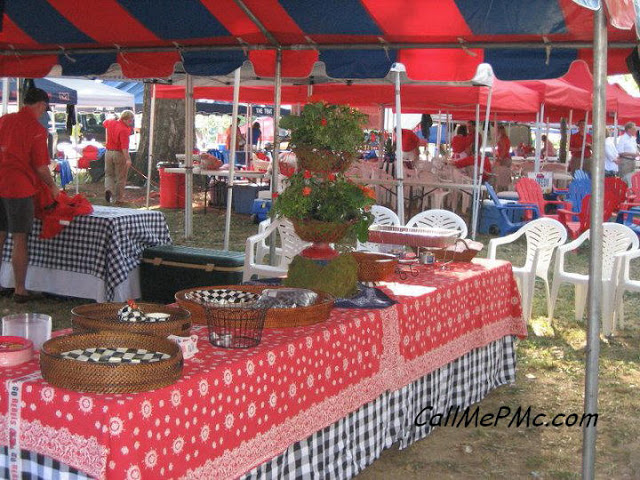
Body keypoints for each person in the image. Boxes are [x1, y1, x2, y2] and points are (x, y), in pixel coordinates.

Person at [0, 88, 60, 303]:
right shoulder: (36, 129)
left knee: (0, 235)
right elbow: (41, 166)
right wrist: (53, 186)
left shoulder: (4, 120)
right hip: (19, 187)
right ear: (41, 105)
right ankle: (20, 289)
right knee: (19, 238)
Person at [103, 110, 134, 205]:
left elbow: (104, 123)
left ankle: (109, 189)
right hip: (118, 153)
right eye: (130, 120)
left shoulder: (111, 122)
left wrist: (113, 118)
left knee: (109, 174)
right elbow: (124, 147)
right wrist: (128, 159)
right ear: (125, 119)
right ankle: (118, 198)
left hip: (108, 152)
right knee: (121, 177)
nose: (131, 122)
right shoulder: (124, 130)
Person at [494, 125, 512, 191]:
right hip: (506, 158)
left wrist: (500, 158)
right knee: (505, 176)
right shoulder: (505, 138)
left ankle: (501, 190)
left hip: (505, 159)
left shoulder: (503, 139)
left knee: (502, 175)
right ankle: (504, 189)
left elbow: (504, 149)